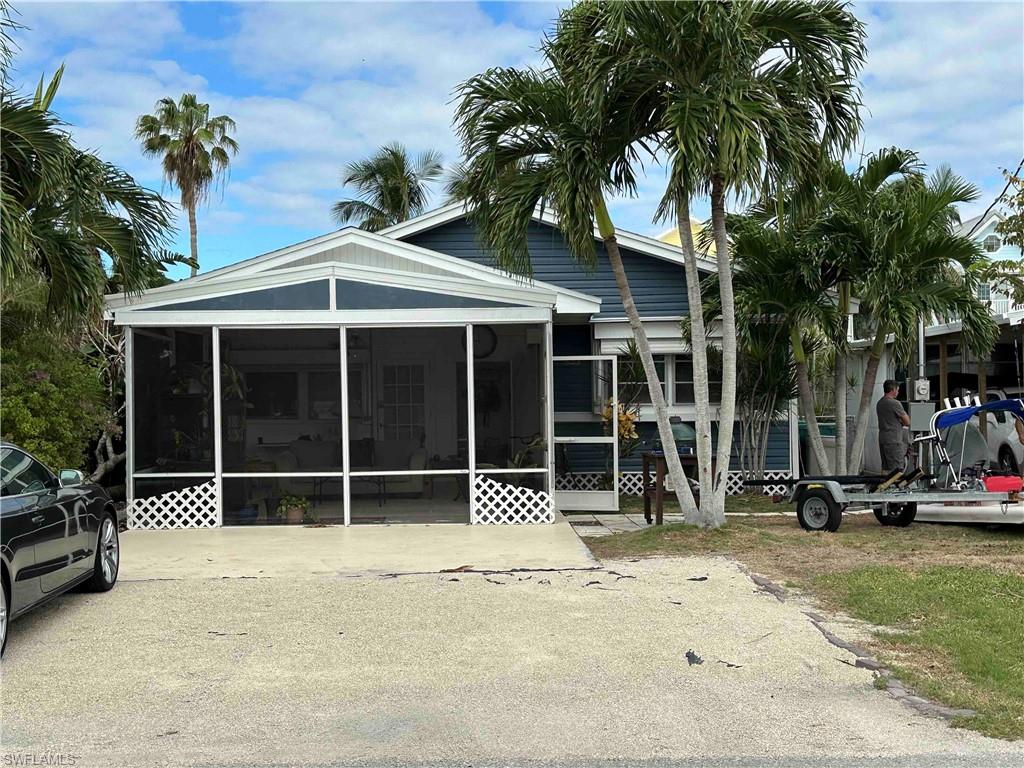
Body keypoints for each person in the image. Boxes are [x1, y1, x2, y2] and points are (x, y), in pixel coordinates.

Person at [876, 379, 910, 473]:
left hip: (883, 438)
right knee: (897, 469)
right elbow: (907, 421)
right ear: (893, 390)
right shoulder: (895, 403)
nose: (898, 392)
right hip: (894, 440)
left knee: (886, 468)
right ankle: (896, 486)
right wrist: (901, 421)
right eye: (897, 390)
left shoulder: (880, 403)